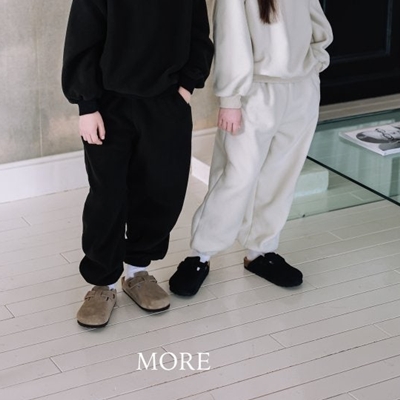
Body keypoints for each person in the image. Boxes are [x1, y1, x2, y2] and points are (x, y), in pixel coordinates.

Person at [62, 0, 214, 327]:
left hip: (167, 102)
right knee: (107, 195)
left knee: (163, 188)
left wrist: (186, 87)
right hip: (108, 104)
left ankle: (137, 272)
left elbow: (199, 35)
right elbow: (82, 37)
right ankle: (102, 283)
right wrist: (87, 106)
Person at [169, 0, 333, 296]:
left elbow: (316, 19)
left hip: (302, 88)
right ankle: (200, 255)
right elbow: (229, 36)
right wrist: (230, 99)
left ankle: (261, 250)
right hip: (255, 92)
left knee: (281, 175)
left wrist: (317, 60)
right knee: (236, 176)